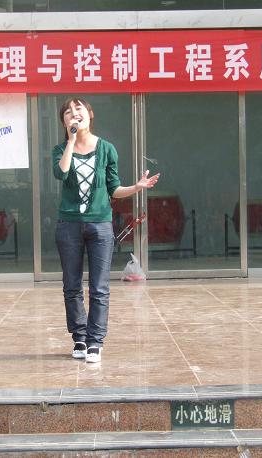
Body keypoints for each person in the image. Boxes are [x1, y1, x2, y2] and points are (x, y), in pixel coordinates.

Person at [52, 97, 159, 363]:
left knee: (99, 287)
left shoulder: (107, 149)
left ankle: (95, 341)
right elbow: (61, 173)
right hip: (69, 226)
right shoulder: (60, 149)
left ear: (90, 114)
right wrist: (70, 141)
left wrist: (136, 187)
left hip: (100, 225)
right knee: (71, 286)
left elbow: (114, 189)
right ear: (64, 121)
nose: (74, 114)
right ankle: (79, 337)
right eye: (68, 112)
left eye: (78, 109)